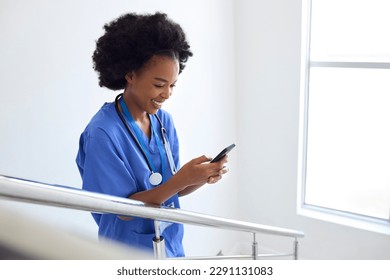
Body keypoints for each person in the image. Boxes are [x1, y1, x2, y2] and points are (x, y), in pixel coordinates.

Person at [76, 12, 228, 258]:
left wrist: (200, 177)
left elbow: (170, 191)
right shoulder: (102, 134)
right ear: (131, 75)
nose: (167, 94)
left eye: (172, 85)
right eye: (159, 85)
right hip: (125, 254)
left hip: (170, 247)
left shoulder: (163, 121)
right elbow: (123, 209)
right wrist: (181, 179)